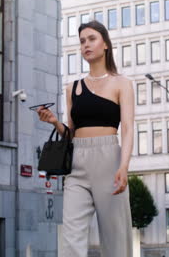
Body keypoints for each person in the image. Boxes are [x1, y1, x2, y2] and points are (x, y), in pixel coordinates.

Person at [36, 20, 134, 257]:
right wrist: (54, 122)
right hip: (77, 163)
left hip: (109, 160)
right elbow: (71, 133)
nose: (86, 45)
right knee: (71, 238)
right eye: (82, 41)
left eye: (91, 39)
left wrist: (123, 166)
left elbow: (128, 128)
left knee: (115, 239)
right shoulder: (72, 88)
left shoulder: (121, 83)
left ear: (105, 45)